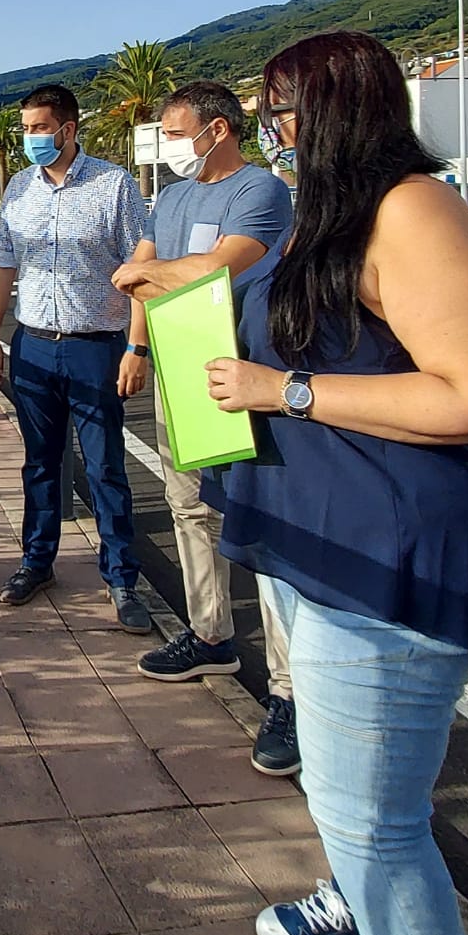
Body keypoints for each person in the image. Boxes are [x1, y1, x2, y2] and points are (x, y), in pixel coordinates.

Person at [203, 30, 468, 935]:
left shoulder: (412, 210)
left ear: (335, 111)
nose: (274, 128)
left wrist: (286, 392)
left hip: (389, 560)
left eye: (283, 109)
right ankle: (351, 907)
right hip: (324, 546)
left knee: (379, 832)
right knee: (355, 798)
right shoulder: (330, 215)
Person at [109, 80, 300, 776]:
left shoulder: (260, 192)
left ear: (218, 129)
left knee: (261, 525)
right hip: (180, 360)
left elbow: (216, 270)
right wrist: (136, 345)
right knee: (189, 507)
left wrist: (143, 272)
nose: (171, 145)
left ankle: (287, 693)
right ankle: (210, 634)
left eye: (178, 131)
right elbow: (155, 276)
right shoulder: (173, 195)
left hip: (246, 368)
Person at [0, 84, 151, 632]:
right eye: (26, 127)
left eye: (38, 128)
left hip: (95, 347)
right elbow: (4, 265)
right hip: (32, 345)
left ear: (68, 129)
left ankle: (122, 579)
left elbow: (142, 269)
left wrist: (136, 347)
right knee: (39, 463)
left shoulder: (113, 186)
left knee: (105, 467)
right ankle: (37, 562)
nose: (31, 137)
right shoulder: (18, 188)